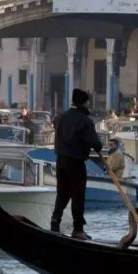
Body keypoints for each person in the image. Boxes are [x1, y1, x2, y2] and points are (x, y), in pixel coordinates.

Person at [51, 88, 102, 239]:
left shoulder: (60, 117)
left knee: (62, 193)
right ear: (84, 103)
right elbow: (96, 144)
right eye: (87, 102)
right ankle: (78, 230)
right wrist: (96, 145)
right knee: (77, 195)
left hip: (60, 160)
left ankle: (55, 222)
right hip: (76, 161)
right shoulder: (85, 121)